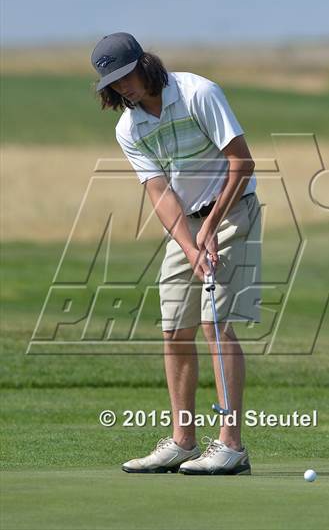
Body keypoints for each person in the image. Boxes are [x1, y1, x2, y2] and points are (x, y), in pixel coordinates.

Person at [91, 32, 261, 475]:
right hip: (185, 224)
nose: (123, 87)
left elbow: (242, 163)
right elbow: (158, 190)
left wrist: (209, 227)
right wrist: (189, 244)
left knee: (215, 325)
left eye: (127, 75)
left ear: (144, 64)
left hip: (231, 210)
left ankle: (231, 446)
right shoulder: (128, 127)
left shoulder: (198, 93)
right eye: (113, 83)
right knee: (174, 330)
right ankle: (184, 441)